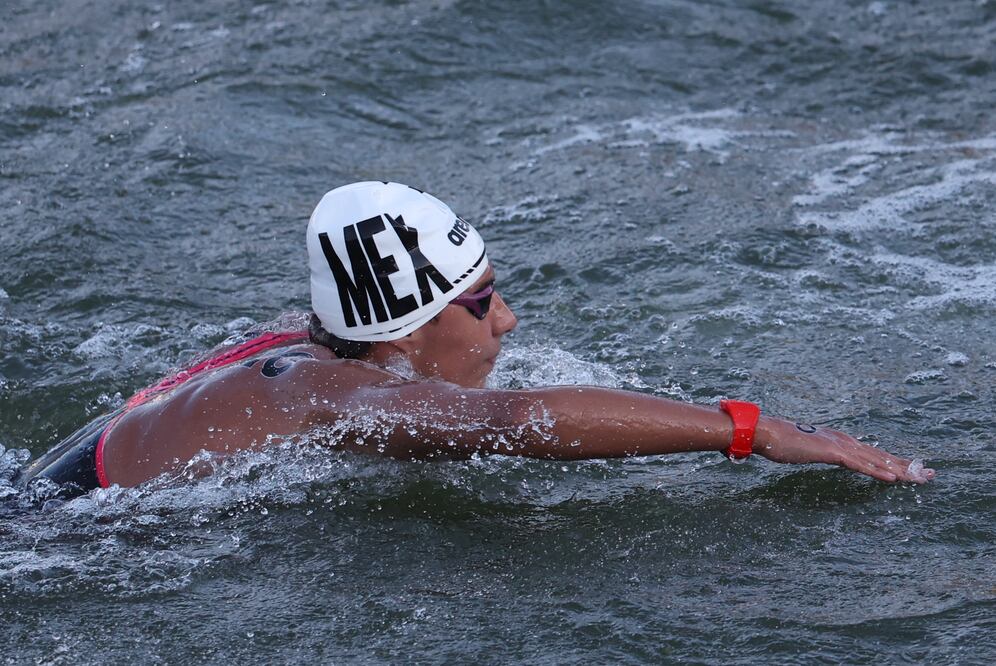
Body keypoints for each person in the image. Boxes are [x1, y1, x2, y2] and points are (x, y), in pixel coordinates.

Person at [19, 181, 935, 497]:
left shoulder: (299, 361)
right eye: (482, 299)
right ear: (409, 329)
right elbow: (517, 420)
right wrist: (758, 429)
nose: (506, 320)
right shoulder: (325, 391)